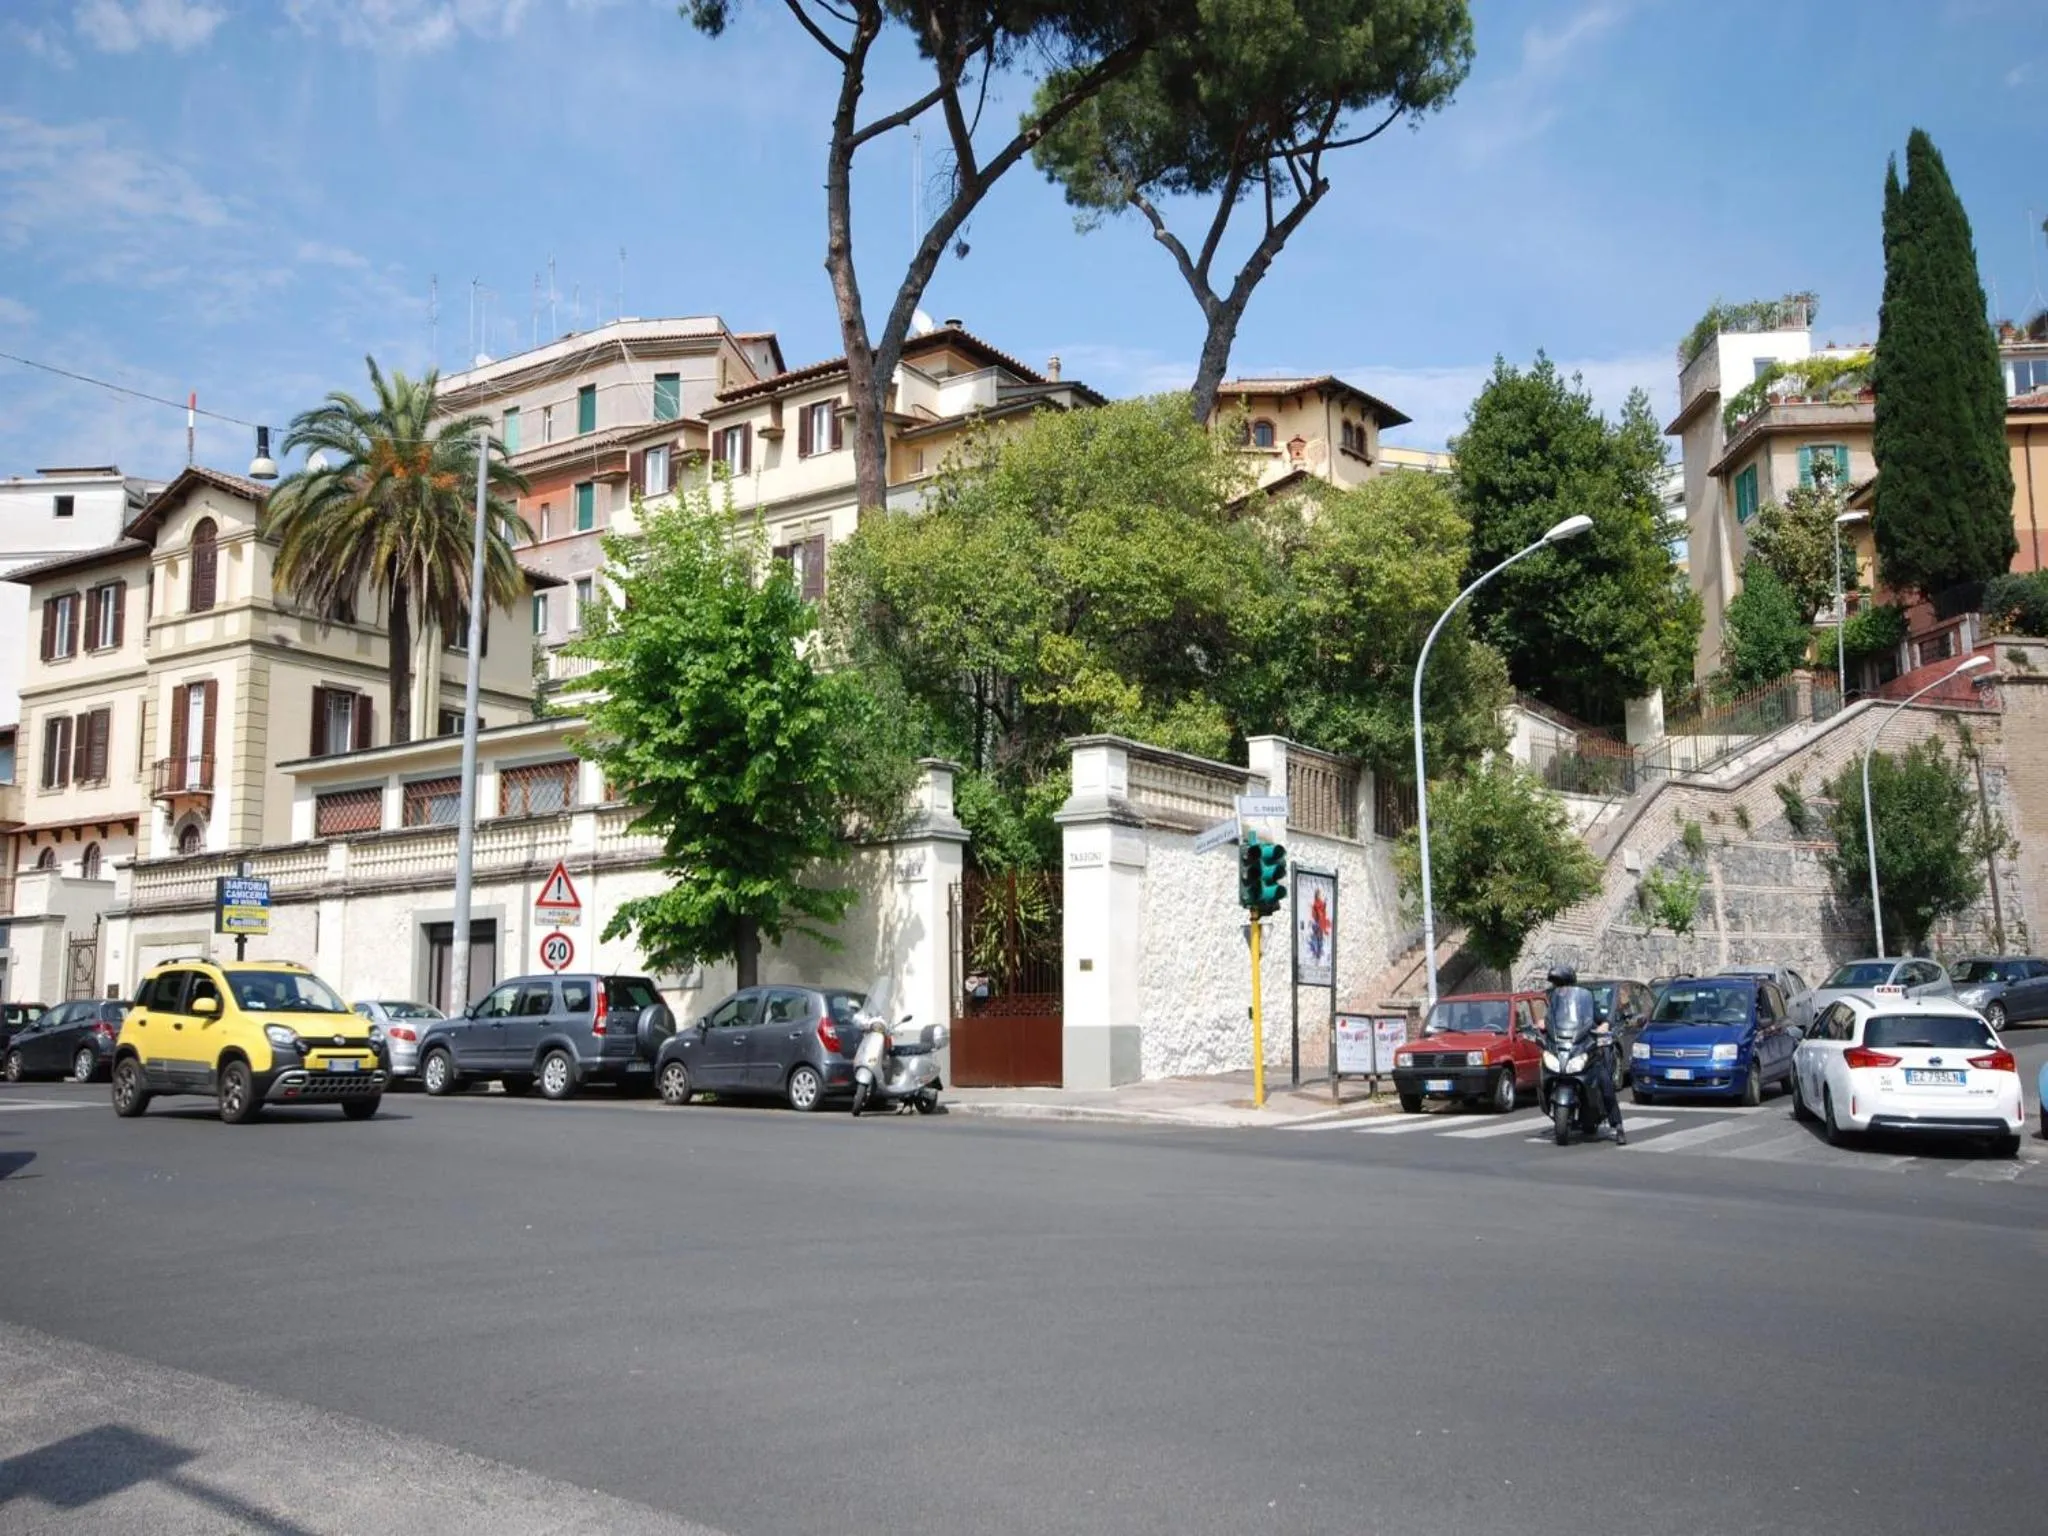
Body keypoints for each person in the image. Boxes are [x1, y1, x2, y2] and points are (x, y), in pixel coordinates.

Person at [1545, 963, 1625, 1146]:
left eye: (1560, 984)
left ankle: (1618, 1126)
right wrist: (1542, 1025)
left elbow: (1597, 1018)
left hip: (1584, 1050)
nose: (1558, 988)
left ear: (1569, 983)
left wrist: (1604, 1026)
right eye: (1556, 984)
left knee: (1605, 1084)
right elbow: (1549, 1020)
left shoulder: (1582, 1001)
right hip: (1564, 1049)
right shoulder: (1553, 1001)